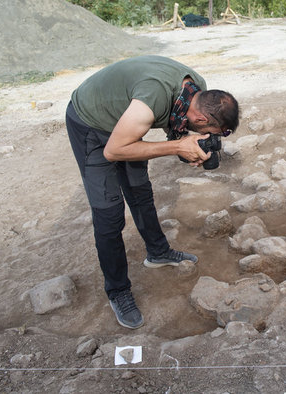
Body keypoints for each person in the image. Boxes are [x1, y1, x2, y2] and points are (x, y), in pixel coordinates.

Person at [65, 55, 239, 329]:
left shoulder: (197, 91)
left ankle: (158, 252)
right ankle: (118, 291)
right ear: (201, 117)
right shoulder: (151, 102)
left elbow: (176, 123)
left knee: (140, 191)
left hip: (127, 119)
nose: (209, 136)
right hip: (91, 123)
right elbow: (114, 150)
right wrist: (178, 147)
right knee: (109, 213)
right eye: (209, 131)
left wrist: (186, 146)